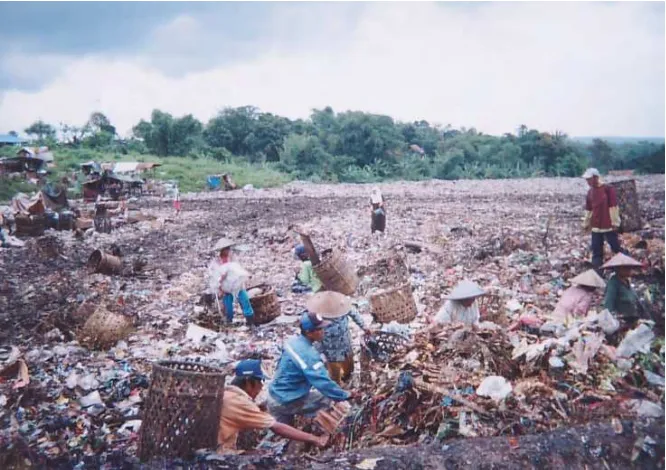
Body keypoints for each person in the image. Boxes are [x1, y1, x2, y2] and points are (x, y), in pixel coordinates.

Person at [218, 359, 328, 453]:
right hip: (220, 453)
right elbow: (276, 427)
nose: (261, 386)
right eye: (260, 381)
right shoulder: (239, 402)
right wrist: (315, 439)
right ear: (248, 382)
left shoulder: (228, 394)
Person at [268, 312, 353, 425]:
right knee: (327, 399)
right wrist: (345, 395)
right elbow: (323, 383)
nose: (323, 331)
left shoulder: (293, 342)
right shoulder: (309, 355)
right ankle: (325, 429)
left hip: (276, 394)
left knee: (282, 433)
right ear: (309, 332)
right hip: (286, 400)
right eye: (319, 329)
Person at [307, 291, 371, 385]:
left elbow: (355, 315)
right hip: (331, 351)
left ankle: (347, 380)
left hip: (346, 346)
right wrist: (320, 353)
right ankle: (337, 386)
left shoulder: (343, 308)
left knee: (349, 369)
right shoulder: (319, 317)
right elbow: (316, 337)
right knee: (335, 375)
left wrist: (364, 327)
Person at [207, 238, 255, 325]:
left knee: (245, 300)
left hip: (236, 285)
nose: (229, 250)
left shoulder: (232, 258)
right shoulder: (216, 262)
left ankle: (250, 321)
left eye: (229, 248)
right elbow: (215, 276)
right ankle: (229, 322)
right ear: (223, 250)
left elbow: (238, 269)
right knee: (228, 307)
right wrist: (220, 284)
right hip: (225, 287)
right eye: (227, 249)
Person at [582, 168, 622, 269]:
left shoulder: (608, 189)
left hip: (608, 224)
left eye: (589, 179)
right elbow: (589, 210)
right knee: (596, 251)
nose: (587, 182)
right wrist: (586, 223)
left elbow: (613, 206)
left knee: (615, 247)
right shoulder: (590, 192)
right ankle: (597, 273)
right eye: (586, 179)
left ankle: (626, 266)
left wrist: (615, 222)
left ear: (596, 178)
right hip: (596, 225)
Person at [602, 253, 645, 330]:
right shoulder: (614, 283)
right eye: (626, 268)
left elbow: (636, 301)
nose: (630, 270)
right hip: (622, 322)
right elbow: (608, 304)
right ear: (618, 269)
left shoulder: (627, 282)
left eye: (629, 268)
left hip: (633, 320)